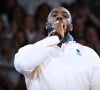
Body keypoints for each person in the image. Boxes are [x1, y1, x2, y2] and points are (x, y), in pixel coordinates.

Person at [14, 7, 100, 90]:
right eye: (54, 15)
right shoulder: (33, 50)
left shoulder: (89, 54)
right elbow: (21, 65)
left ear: (71, 27)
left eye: (65, 16)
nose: (59, 17)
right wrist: (55, 38)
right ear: (47, 26)